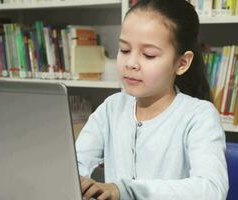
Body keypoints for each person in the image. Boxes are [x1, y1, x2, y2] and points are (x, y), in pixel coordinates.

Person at [75, 0, 229, 199]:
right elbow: (76, 163)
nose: (131, 63)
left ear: (182, 63)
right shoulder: (111, 108)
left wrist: (125, 190)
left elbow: (211, 189)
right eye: (124, 50)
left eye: (148, 55)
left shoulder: (199, 116)